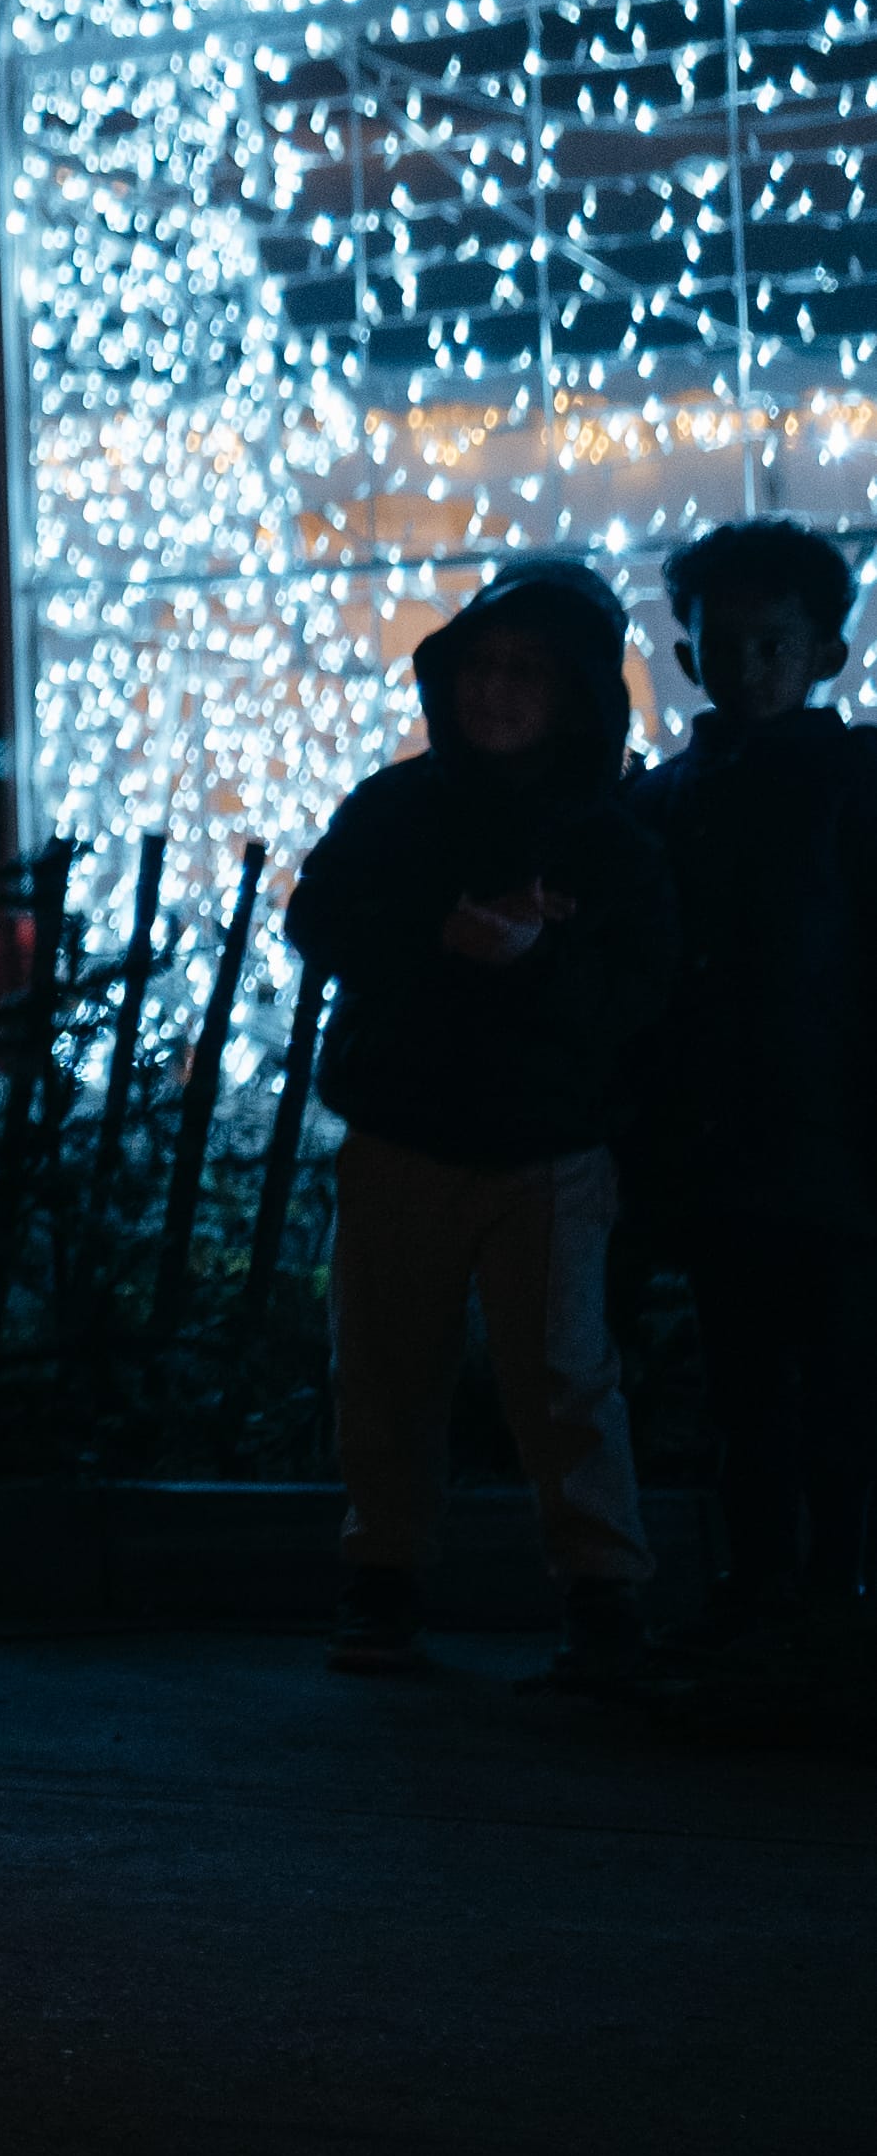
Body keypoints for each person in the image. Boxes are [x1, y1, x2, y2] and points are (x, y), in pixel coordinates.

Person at [292, 558, 673, 1682]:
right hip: (405, 1129)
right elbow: (321, 917)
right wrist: (438, 939)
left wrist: (539, 962)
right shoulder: (399, 804)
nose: (497, 692)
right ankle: (384, 1575)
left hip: (546, 1148)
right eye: (484, 665)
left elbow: (640, 987)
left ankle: (603, 1591)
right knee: (386, 1366)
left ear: (576, 695)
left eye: (528, 673)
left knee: (561, 1377)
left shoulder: (608, 836)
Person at [638, 519, 876, 1656]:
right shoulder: (674, 795)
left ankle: (821, 1580)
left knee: (828, 1375)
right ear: (690, 655)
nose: (744, 668)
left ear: (824, 651)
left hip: (826, 1133)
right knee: (751, 1381)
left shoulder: (844, 783)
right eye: (723, 646)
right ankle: (777, 1580)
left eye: (769, 645)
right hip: (734, 1139)